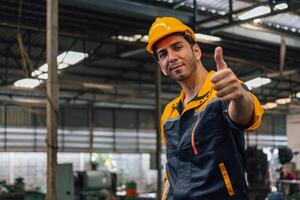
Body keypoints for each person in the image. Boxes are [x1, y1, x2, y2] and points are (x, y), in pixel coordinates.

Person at [146, 17, 264, 200]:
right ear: (161, 67)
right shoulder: (169, 113)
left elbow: (243, 115)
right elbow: (172, 170)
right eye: (163, 54)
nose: (171, 57)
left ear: (196, 51)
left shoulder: (223, 91)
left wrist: (240, 96)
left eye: (177, 47)